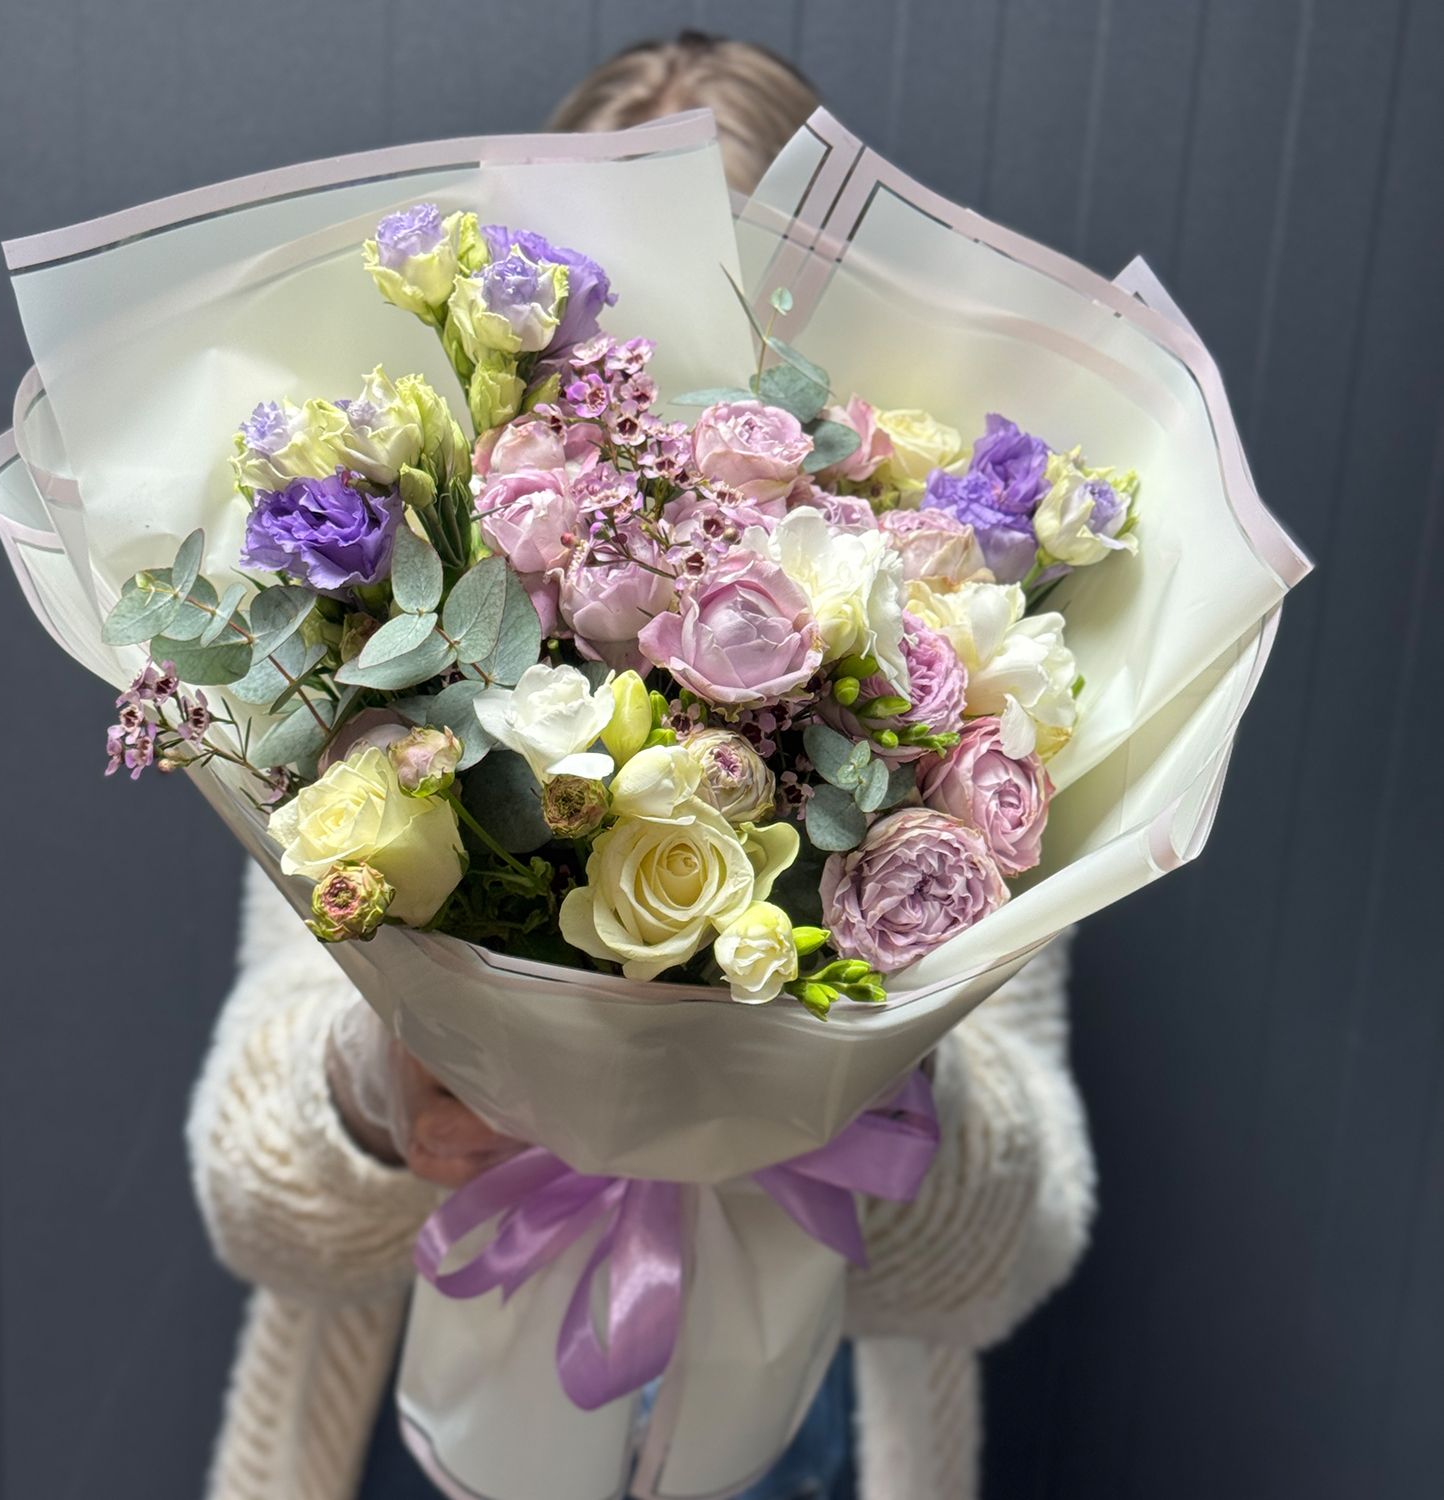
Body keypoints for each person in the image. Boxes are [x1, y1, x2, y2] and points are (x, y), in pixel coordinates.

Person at [187, 33, 1095, 1500]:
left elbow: (1010, 1253)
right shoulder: (385, 678)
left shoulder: (945, 717)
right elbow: (255, 1206)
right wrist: (386, 1085)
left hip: (806, 1439)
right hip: (429, 1399)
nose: (670, 404)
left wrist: (869, 1072)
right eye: (627, 323)